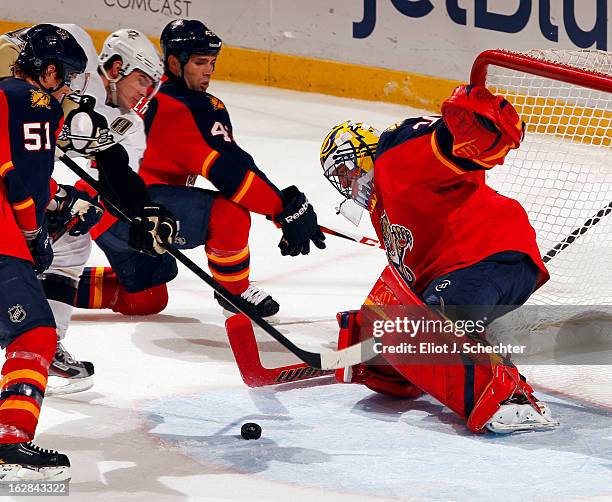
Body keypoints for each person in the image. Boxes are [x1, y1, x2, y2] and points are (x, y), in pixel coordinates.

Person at [319, 84, 558, 433]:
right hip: (468, 269)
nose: (348, 184)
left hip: (489, 254)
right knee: (408, 331)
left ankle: (515, 397)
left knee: (435, 323)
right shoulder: (383, 212)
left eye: (348, 172)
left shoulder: (395, 165)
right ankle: (402, 374)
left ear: (366, 156)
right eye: (340, 180)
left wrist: (466, 123)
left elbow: (437, 145)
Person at [74, 19, 326, 319]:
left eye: (211, 62)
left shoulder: (148, 91)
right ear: (173, 63)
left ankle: (49, 285)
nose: (208, 70)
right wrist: (282, 209)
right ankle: (234, 292)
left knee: (147, 299)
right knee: (228, 214)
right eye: (199, 62)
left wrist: (280, 210)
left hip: (98, 208)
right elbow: (233, 174)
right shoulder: (190, 107)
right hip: (131, 211)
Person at [0, 26, 169, 394]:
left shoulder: (130, 126)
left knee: (74, 240)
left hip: (26, 185)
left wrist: (142, 209)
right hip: (15, 191)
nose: (145, 92)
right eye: (142, 80)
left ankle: (46, 344)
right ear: (116, 66)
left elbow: (111, 177)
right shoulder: (69, 59)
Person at [0, 24, 87, 478]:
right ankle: (9, 445)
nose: (67, 88)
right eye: (67, 77)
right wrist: (34, 234)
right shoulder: (33, 102)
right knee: (35, 333)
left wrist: (54, 196)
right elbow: (20, 181)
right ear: (49, 72)